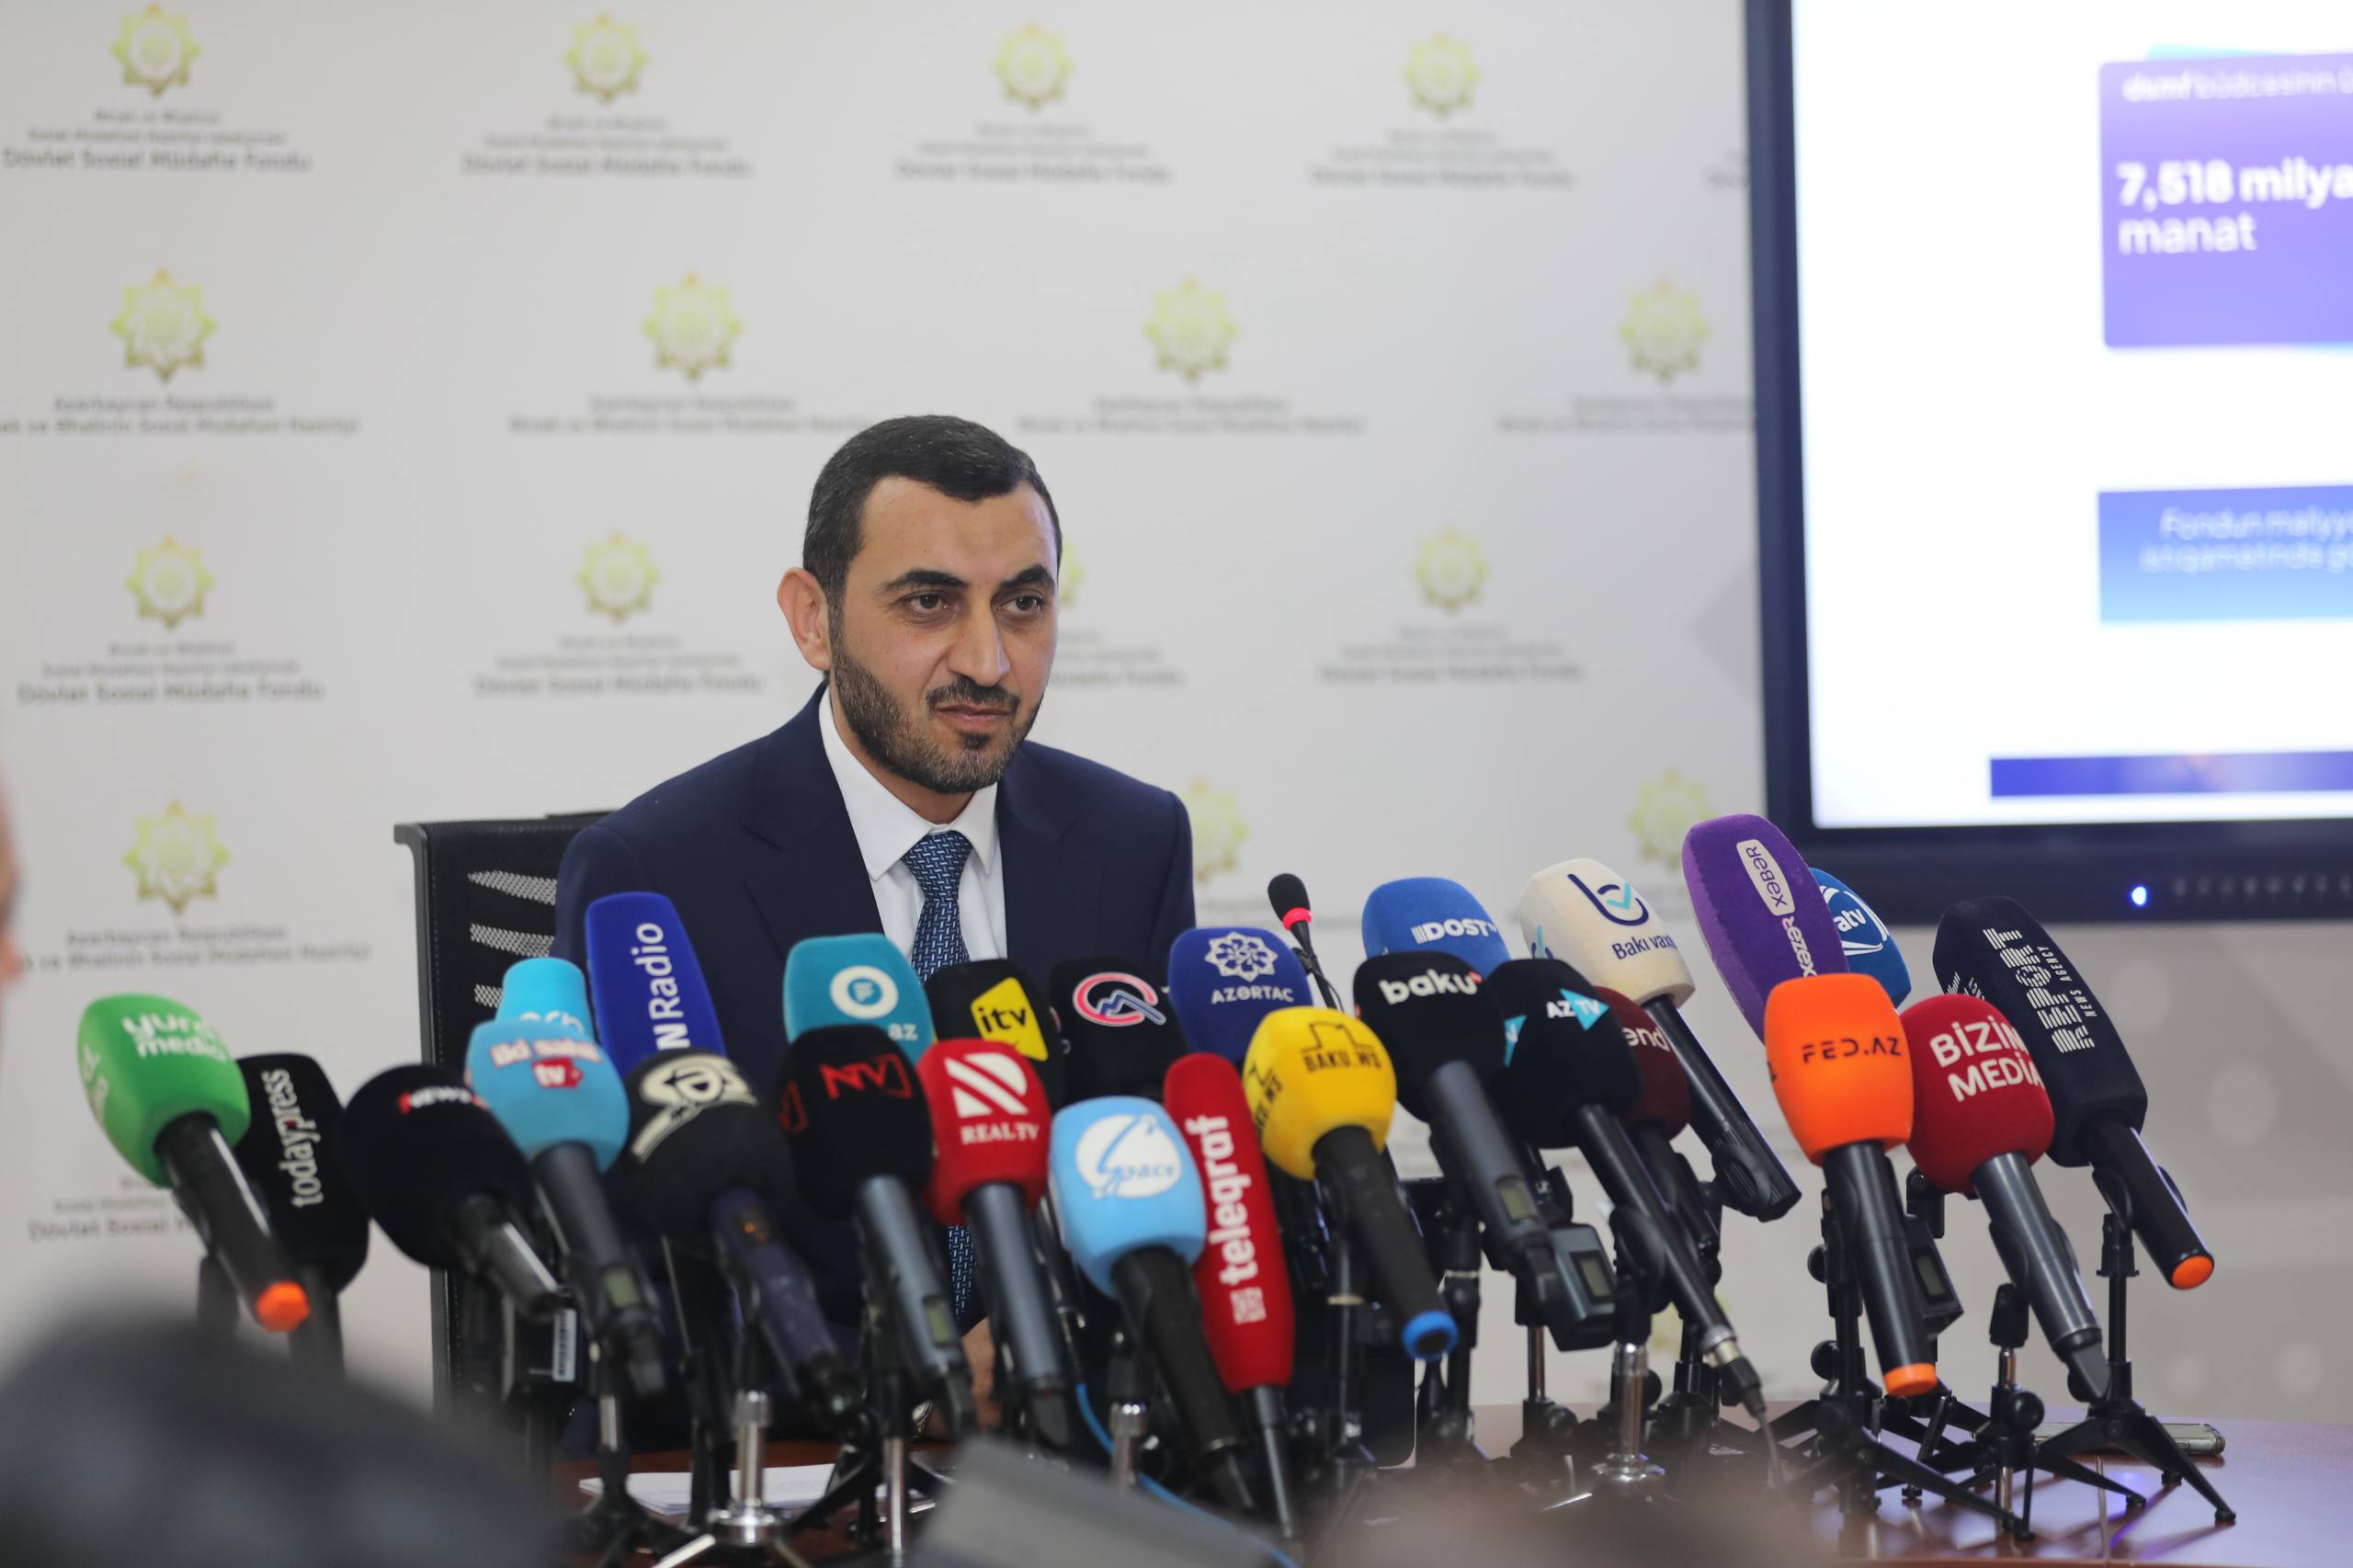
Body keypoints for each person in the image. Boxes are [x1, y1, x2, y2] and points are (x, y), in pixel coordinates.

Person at [553, 415, 1195, 1374]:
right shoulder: (654, 872)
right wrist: (921, 1380)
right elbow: (638, 1270)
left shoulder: (1133, 839)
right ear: (813, 619)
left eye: (1023, 603)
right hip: (809, 1431)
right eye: (929, 603)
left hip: (1083, 1427)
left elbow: (1161, 1171)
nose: (987, 661)